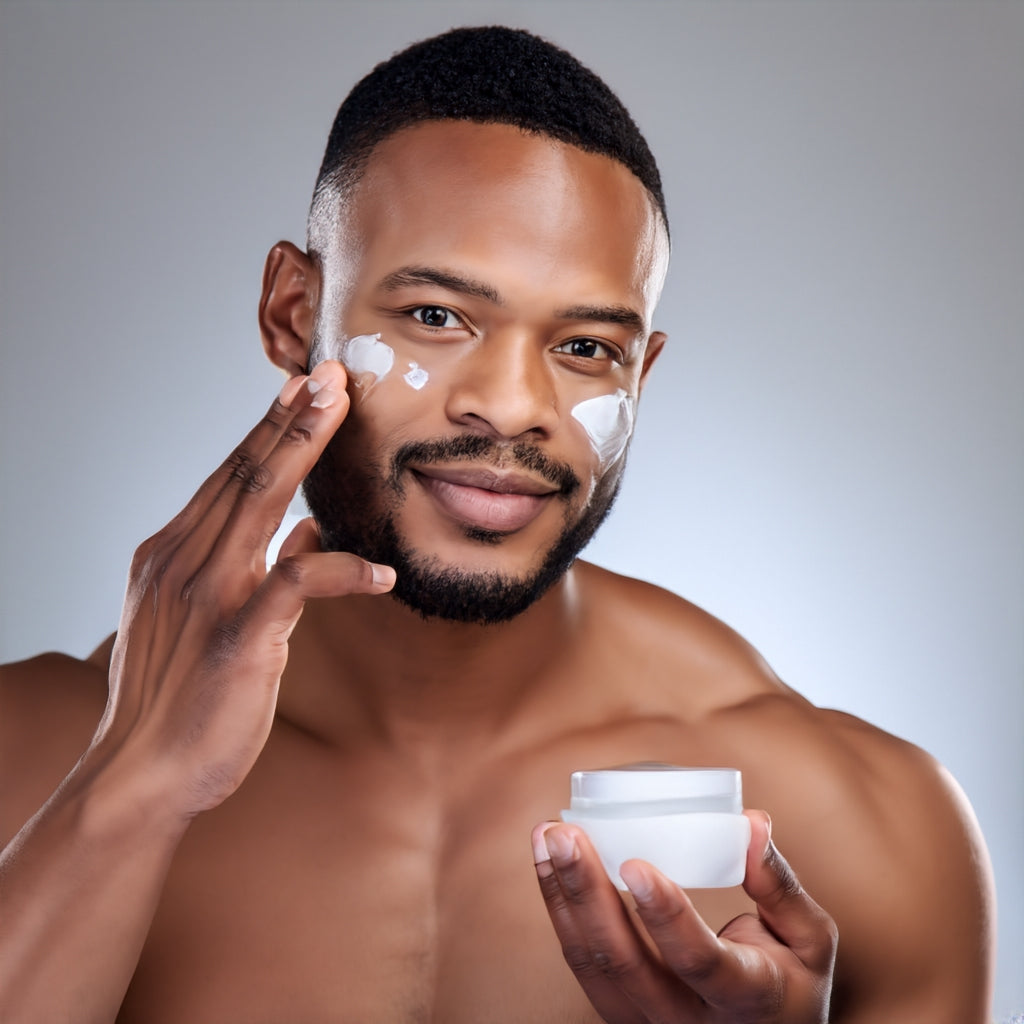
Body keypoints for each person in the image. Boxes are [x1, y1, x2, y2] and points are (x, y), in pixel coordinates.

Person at [0, 25, 994, 1024]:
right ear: (293, 313)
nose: (512, 405)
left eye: (582, 345)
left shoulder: (862, 826)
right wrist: (129, 789)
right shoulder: (33, 755)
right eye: (436, 316)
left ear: (640, 376)